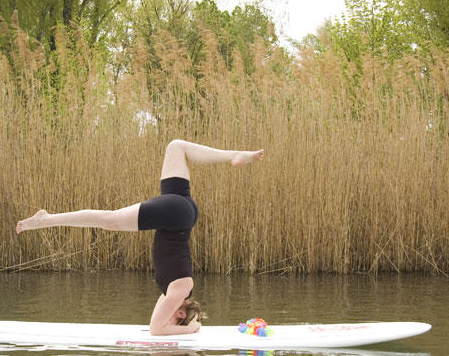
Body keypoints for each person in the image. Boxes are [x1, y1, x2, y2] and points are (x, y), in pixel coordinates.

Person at [16, 140, 264, 335]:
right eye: (175, 317)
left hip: (182, 211)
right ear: (178, 315)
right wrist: (190, 328)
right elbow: (157, 329)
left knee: (176, 147)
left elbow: (159, 320)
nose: (167, 314)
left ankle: (234, 155)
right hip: (175, 214)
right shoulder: (179, 292)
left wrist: (193, 319)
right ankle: (46, 220)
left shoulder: (174, 292)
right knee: (109, 220)